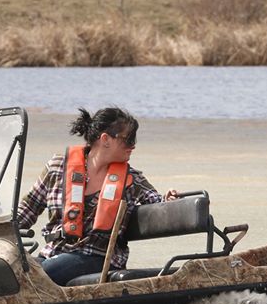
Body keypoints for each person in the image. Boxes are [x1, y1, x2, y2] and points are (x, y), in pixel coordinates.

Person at [17, 107, 177, 285]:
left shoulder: (132, 181)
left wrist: (170, 200)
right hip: (52, 253)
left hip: (97, 257)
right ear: (105, 139)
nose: (133, 146)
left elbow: (158, 202)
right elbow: (29, 207)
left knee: (38, 278)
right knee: (12, 273)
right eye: (128, 139)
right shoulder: (57, 167)